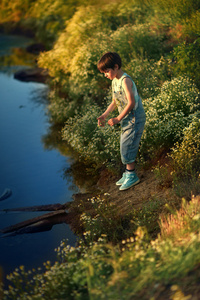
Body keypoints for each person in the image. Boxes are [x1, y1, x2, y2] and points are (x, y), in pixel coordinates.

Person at [97, 52, 146, 191]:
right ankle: (127, 173)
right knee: (124, 144)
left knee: (127, 145)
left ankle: (132, 175)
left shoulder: (125, 80)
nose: (105, 75)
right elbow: (115, 101)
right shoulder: (115, 81)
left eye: (106, 71)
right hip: (127, 118)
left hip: (134, 118)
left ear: (116, 67)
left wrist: (118, 118)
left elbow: (130, 103)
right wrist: (105, 115)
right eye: (104, 72)